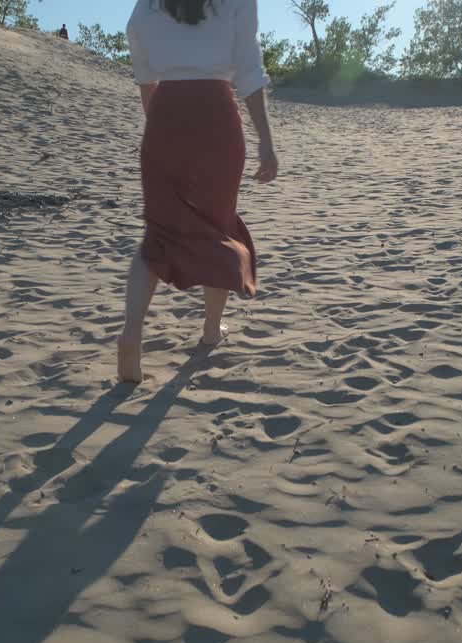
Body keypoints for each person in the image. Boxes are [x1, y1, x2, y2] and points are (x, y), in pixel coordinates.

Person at [118, 0, 278, 383]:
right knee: (218, 227)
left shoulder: (150, 4)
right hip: (216, 115)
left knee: (157, 234)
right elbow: (249, 70)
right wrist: (266, 141)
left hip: (165, 114)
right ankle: (210, 331)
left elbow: (143, 69)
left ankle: (131, 336)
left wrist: (160, 125)